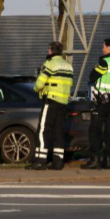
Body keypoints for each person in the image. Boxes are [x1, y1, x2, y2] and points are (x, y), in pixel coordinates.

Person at [28, 41, 73, 171]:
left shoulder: (50, 64)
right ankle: (58, 162)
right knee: (58, 131)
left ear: (51, 51)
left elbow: (40, 83)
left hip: (51, 100)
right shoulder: (68, 65)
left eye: (49, 49)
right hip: (63, 102)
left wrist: (36, 89)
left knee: (43, 130)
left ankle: (40, 160)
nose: (48, 52)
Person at [84, 38, 110, 169]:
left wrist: (95, 68)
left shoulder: (104, 62)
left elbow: (92, 77)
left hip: (102, 102)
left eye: (103, 46)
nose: (102, 49)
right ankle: (108, 160)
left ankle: (95, 160)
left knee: (94, 130)